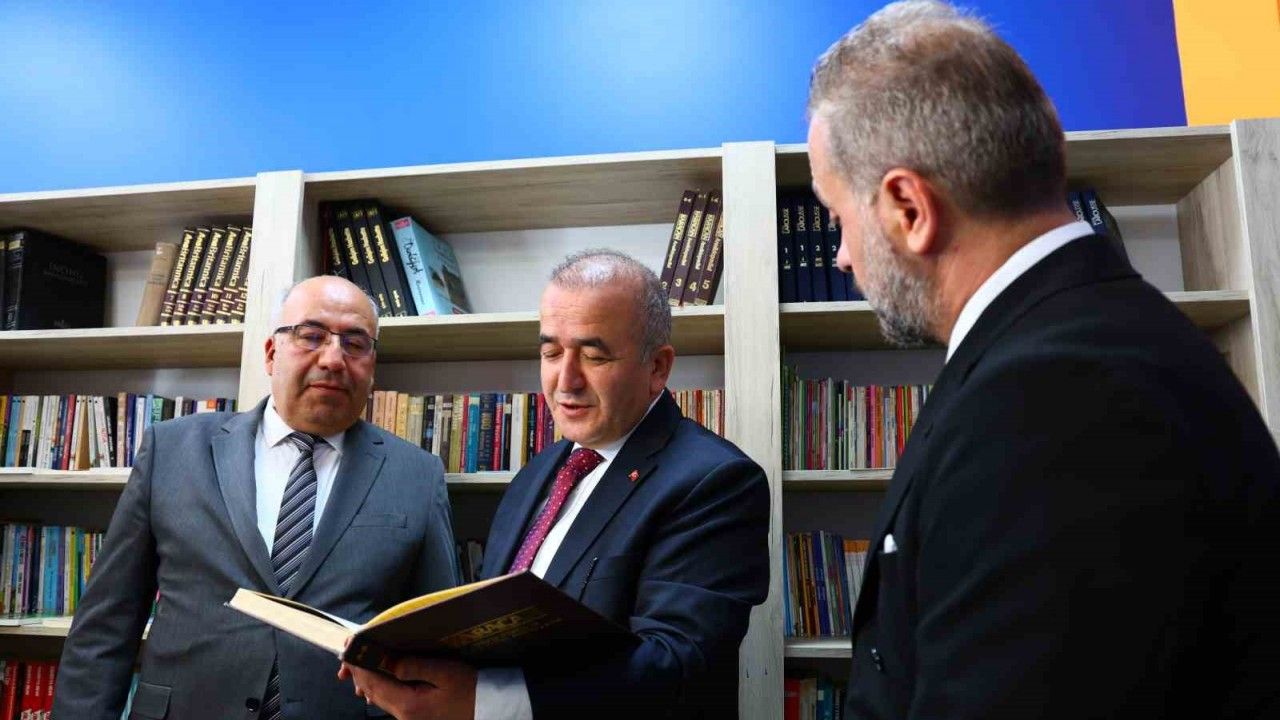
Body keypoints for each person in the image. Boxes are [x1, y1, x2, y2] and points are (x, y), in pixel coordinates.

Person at [805, 2, 1280, 718]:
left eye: (837, 216)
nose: (840, 255)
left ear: (909, 209)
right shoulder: (1080, 344)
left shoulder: (1055, 401)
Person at [339, 250, 771, 719]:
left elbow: (675, 665)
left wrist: (481, 702)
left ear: (658, 368)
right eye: (550, 353)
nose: (566, 381)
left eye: (594, 356)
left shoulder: (715, 481)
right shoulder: (538, 474)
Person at [54, 275, 460, 720]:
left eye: (355, 343)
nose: (333, 358)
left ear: (372, 366)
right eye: (311, 336)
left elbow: (439, 644)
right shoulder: (171, 450)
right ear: (271, 353)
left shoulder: (417, 475)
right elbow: (105, 626)